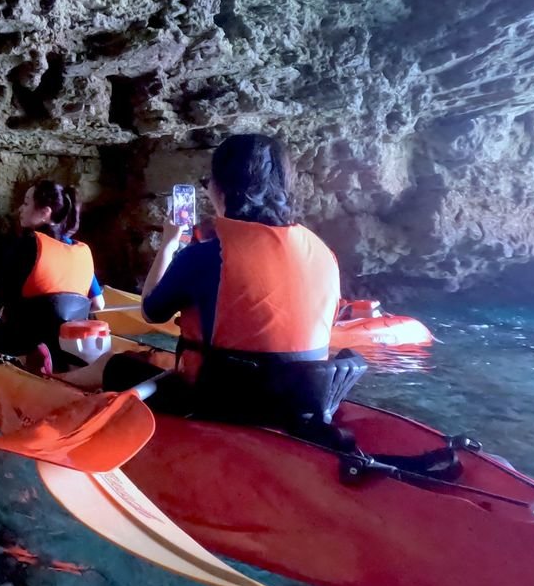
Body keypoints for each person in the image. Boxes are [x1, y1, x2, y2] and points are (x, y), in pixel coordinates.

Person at [70, 135, 356, 426]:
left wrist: (169, 244)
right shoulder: (322, 252)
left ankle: (53, 380)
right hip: (300, 399)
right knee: (159, 358)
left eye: (208, 183)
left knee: (115, 364)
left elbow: (151, 311)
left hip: (218, 402)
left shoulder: (208, 255)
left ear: (221, 189)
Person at [0, 180, 106, 369]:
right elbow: (98, 304)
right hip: (66, 345)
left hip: (21, 342)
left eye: (26, 203)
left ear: (45, 213)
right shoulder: (81, 250)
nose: (20, 209)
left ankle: (30, 359)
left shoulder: (27, 245)